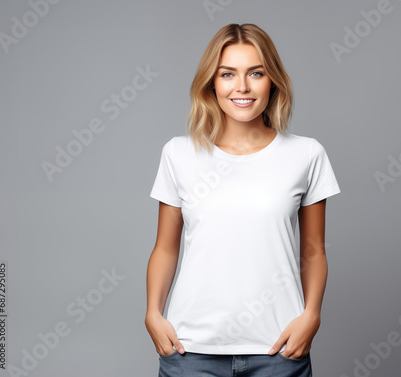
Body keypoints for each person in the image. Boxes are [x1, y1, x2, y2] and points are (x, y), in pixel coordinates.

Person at [145, 23, 341, 377]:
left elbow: (313, 250)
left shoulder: (306, 154)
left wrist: (312, 316)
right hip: (190, 351)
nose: (242, 87)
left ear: (273, 81)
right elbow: (165, 248)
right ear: (212, 83)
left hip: (279, 351)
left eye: (256, 73)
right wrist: (153, 314)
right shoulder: (178, 154)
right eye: (227, 74)